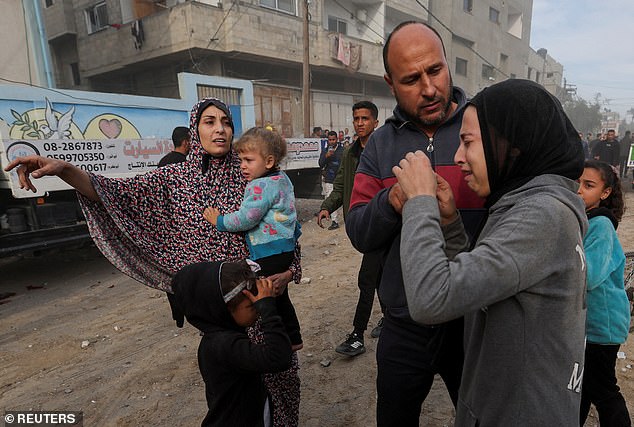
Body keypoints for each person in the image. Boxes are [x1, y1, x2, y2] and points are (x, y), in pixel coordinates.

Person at [5, 98, 302, 426]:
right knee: (234, 399)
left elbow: (284, 225)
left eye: (226, 122)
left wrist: (290, 271)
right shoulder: (174, 179)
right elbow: (115, 193)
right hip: (219, 317)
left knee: (281, 381)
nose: (220, 128)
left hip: (260, 299)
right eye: (209, 121)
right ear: (195, 129)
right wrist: (65, 169)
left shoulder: (255, 172)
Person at [393, 79, 587, 425]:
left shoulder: (541, 214)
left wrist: (419, 202)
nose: (457, 157)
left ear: (512, 145)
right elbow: (482, 284)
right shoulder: (525, 205)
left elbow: (431, 298)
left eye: (467, 142)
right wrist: (451, 223)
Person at [345, 21, 486, 425]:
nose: (429, 88)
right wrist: (393, 200)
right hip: (405, 326)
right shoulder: (381, 145)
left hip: (474, 322)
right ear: (390, 83)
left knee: (482, 417)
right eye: (411, 79)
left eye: (436, 70)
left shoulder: (483, 128)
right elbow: (358, 229)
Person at [203, 127, 303, 350]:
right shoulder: (282, 178)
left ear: (268, 161)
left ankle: (279, 338)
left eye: (248, 160)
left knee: (264, 297)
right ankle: (294, 337)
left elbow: (247, 218)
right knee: (280, 296)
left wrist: (219, 221)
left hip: (268, 252)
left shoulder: (260, 185)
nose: (242, 166)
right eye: (240, 161)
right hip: (284, 249)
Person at [171, 260, 292, 427]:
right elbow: (279, 357)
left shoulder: (219, 338)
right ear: (224, 309)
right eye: (252, 306)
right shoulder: (223, 345)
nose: (257, 309)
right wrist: (267, 309)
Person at [317, 101, 383, 357]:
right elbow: (341, 184)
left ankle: (357, 335)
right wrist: (327, 206)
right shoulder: (350, 152)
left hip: (383, 222)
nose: (360, 122)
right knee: (380, 275)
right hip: (362, 224)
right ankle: (390, 320)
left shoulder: (384, 149)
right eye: (357, 118)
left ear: (375, 122)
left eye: (365, 118)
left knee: (367, 278)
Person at [577, 160, 631, 426]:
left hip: (603, 327)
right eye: (576, 182)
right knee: (581, 387)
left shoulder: (600, 225)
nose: (579, 190)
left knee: (603, 390)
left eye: (588, 185)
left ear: (606, 192)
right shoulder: (585, 219)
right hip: (589, 326)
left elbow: (591, 274)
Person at [319, 130, 344, 230]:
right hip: (329, 179)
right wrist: (326, 156)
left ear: (337, 140)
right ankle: (334, 221)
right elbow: (320, 164)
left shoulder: (342, 151)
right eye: (330, 140)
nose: (332, 142)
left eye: (333, 139)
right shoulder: (325, 151)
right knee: (329, 197)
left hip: (340, 179)